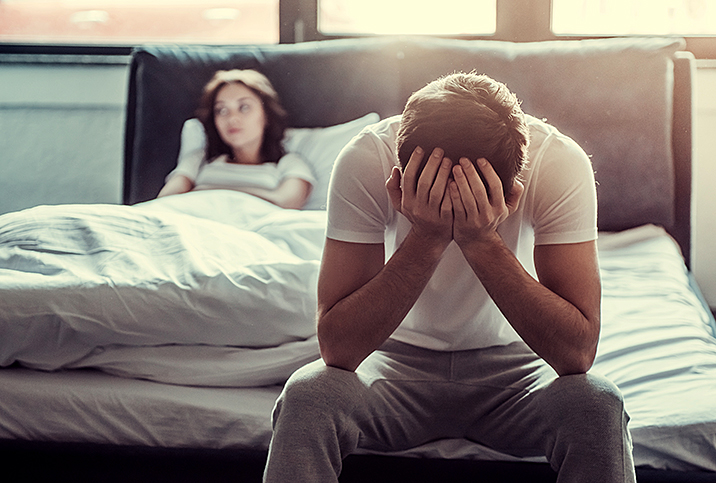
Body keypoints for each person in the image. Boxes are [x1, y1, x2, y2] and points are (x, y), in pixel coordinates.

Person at [263, 72, 636, 482]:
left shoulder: (558, 161)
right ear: (400, 175)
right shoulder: (367, 157)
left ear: (513, 185)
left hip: (519, 368)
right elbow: (337, 348)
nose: (454, 204)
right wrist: (427, 237)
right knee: (307, 396)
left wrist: (482, 241)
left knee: (598, 404)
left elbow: (576, 354)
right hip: (393, 363)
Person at [157, 69, 315, 210]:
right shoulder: (200, 159)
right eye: (222, 110)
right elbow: (164, 202)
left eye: (244, 107)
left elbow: (286, 203)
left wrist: (204, 190)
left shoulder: (290, 163)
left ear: (266, 115)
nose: (232, 119)